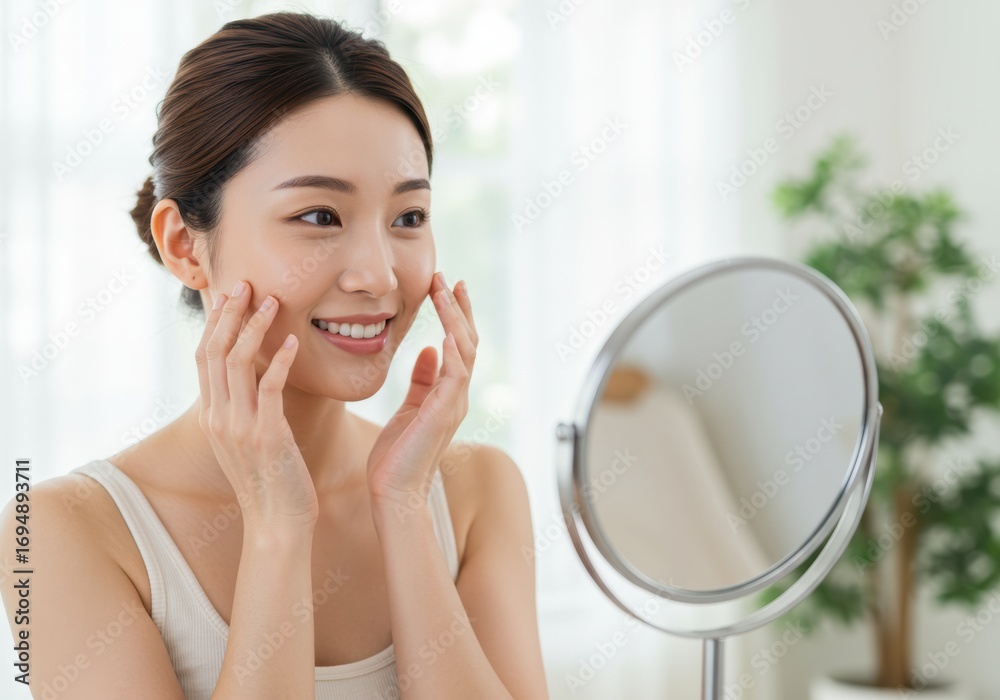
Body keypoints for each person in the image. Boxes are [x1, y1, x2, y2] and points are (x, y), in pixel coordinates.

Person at [0, 11, 548, 699]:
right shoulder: (56, 532)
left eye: (408, 217)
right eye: (319, 216)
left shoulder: (475, 491)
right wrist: (277, 527)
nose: (378, 275)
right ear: (184, 245)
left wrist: (404, 507)